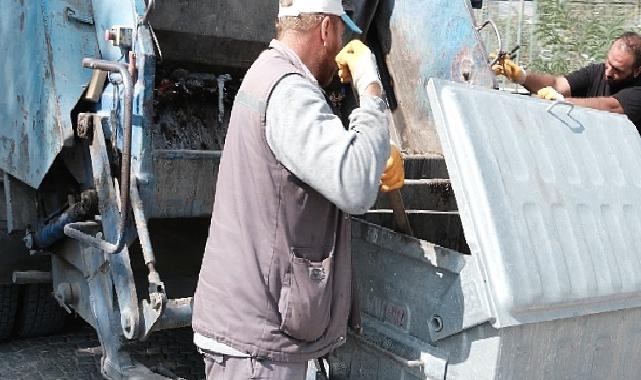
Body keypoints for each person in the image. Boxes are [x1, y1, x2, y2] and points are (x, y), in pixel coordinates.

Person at [191, 0, 404, 378]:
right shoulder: (289, 92)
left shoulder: (271, 75)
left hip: (254, 333)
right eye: (340, 32)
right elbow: (354, 187)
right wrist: (370, 89)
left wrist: (367, 147)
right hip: (257, 347)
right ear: (325, 29)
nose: (340, 45)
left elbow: (324, 160)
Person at [493, 31, 641, 131]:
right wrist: (521, 76)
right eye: (608, 62)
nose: (608, 72)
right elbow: (557, 85)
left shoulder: (638, 91)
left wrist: (562, 101)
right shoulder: (597, 72)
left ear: (637, 71)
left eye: (618, 70)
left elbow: (611, 106)